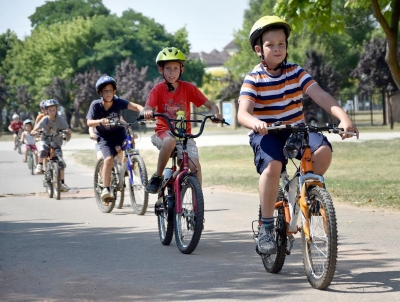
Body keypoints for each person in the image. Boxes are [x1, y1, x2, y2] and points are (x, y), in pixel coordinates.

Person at [237, 16, 359, 255]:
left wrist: (344, 118)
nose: (277, 48)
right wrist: (256, 123)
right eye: (270, 44)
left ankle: (304, 192)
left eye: (281, 43)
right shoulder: (254, 78)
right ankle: (266, 226)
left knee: (322, 151)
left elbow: (321, 95)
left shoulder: (296, 72)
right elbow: (243, 113)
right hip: (267, 133)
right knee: (272, 167)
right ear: (258, 49)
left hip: (296, 130)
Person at [142, 47, 222, 194]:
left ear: (181, 70)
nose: (172, 72)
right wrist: (147, 111)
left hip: (184, 135)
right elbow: (148, 106)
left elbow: (211, 105)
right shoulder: (158, 89)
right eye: (168, 68)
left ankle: (197, 205)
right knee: (170, 141)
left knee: (194, 166)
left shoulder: (188, 88)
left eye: (175, 68)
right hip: (163, 133)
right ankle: (158, 176)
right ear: (161, 70)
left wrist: (216, 113)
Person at [86, 75, 144, 202]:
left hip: (118, 132)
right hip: (104, 137)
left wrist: (144, 111)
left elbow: (134, 106)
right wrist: (100, 121)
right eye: (105, 91)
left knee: (129, 140)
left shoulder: (118, 102)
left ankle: (131, 162)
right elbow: (89, 122)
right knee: (108, 159)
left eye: (111, 90)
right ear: (100, 92)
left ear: (114, 91)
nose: (108, 93)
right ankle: (106, 188)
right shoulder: (95, 105)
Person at [32, 99, 72, 192]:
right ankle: (39, 165)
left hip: (56, 142)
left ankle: (62, 183)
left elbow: (67, 128)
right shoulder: (44, 119)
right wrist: (34, 131)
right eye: (50, 110)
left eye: (54, 110)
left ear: (57, 110)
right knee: (42, 150)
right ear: (46, 111)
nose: (52, 112)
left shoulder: (60, 119)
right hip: (46, 141)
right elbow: (37, 128)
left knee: (61, 162)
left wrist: (68, 131)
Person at [34, 100, 48, 173]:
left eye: (47, 108)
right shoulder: (40, 117)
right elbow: (35, 127)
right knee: (42, 150)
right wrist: (36, 134)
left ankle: (59, 161)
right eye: (43, 108)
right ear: (41, 109)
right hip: (44, 136)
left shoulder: (54, 116)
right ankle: (40, 165)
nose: (45, 110)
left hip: (53, 136)